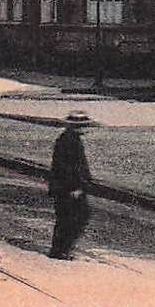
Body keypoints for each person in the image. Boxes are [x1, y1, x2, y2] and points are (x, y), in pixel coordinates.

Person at [48, 110, 94, 259]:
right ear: (75, 127)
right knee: (74, 217)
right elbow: (66, 168)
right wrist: (74, 187)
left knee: (68, 218)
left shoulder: (70, 139)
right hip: (68, 188)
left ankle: (61, 249)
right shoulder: (68, 141)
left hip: (66, 187)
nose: (85, 128)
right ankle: (61, 250)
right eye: (82, 125)